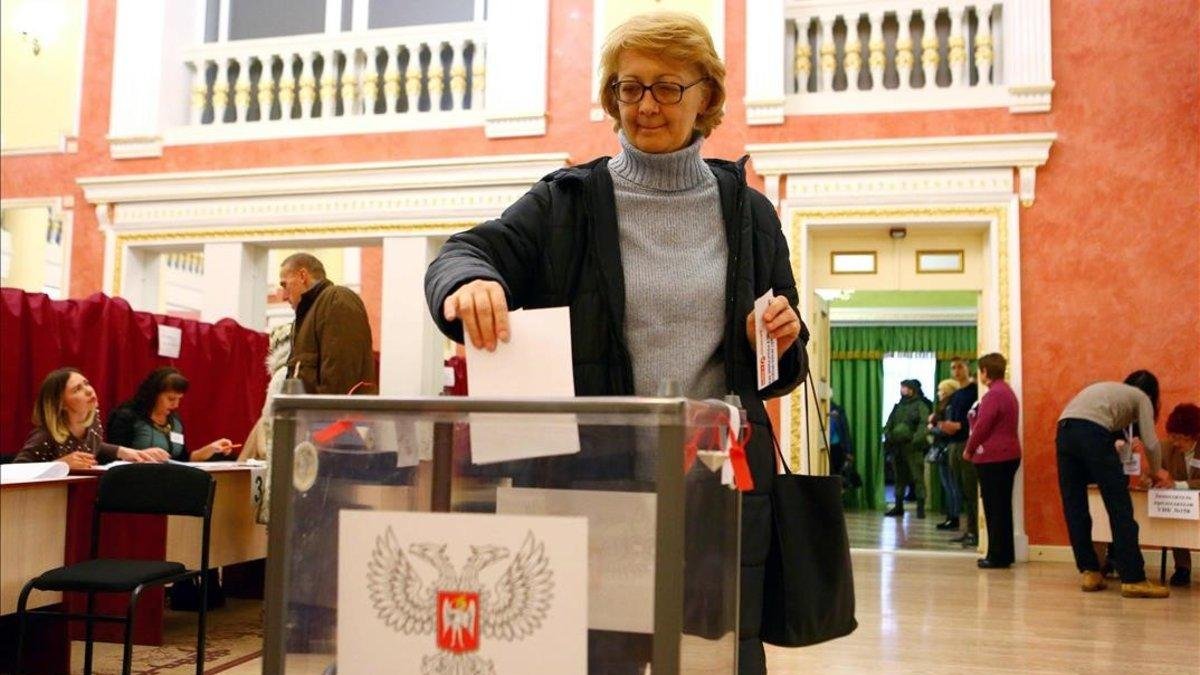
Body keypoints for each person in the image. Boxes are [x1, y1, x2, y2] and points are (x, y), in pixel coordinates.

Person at [424, 12, 806, 673]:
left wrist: (777, 337)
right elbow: (463, 252)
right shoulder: (566, 203)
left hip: (715, 490)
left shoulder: (749, 212)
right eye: (631, 87)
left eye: (667, 87)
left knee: (719, 659)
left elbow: (781, 364)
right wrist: (469, 282)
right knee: (597, 657)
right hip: (593, 489)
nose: (646, 105)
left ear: (706, 96)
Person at [1056, 370, 1173, 598]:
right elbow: (1151, 443)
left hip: (1064, 430)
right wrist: (1157, 471)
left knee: (1075, 506)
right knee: (1120, 507)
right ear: (1152, 395)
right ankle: (1133, 578)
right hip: (1092, 431)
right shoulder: (1142, 398)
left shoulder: (1109, 390)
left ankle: (1090, 572)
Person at [15, 368, 169, 467]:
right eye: (77, 389)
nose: (89, 390)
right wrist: (59, 465)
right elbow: (14, 472)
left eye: (86, 383)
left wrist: (127, 452)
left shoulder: (93, 422)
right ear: (61, 404)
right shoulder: (44, 436)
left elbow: (94, 446)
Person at [278, 252, 376, 395]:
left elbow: (340, 381)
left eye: (284, 285)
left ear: (302, 275)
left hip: (333, 409)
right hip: (315, 409)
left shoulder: (336, 300)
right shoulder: (311, 314)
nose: (283, 296)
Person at [963, 353, 1021, 569]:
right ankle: (1004, 554)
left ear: (985, 371)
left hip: (993, 457)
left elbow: (982, 427)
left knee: (994, 507)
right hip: (1009, 454)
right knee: (1002, 507)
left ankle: (996, 555)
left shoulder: (993, 395)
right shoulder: (1007, 392)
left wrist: (969, 449)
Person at [107, 367, 234, 462]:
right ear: (154, 394)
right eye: (171, 399)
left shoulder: (175, 421)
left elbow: (182, 460)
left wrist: (211, 448)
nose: (176, 405)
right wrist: (141, 455)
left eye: (179, 399)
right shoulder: (127, 416)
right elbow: (113, 457)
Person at [940, 357, 979, 547]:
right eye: (953, 368)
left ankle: (976, 531)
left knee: (971, 489)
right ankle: (969, 530)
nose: (956, 371)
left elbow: (975, 418)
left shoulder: (975, 391)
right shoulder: (956, 395)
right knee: (961, 489)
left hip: (966, 442)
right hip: (953, 444)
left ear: (967, 368)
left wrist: (959, 426)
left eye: (960, 367)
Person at [1161, 403, 1200, 586]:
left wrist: (1178, 485)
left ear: (1194, 435)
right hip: (1179, 506)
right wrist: (1152, 480)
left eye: (1180, 438)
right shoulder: (1166, 448)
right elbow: (1154, 473)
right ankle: (1182, 568)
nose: (1175, 442)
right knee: (1175, 517)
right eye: (1172, 436)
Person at [883, 380, 931, 518]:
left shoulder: (920, 405)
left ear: (912, 390)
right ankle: (898, 507)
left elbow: (923, 425)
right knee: (899, 478)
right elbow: (889, 424)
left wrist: (915, 440)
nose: (902, 390)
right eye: (902, 387)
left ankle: (920, 509)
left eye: (905, 387)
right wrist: (889, 436)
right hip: (897, 447)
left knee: (917, 477)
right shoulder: (898, 407)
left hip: (913, 448)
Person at [930, 378, 962, 531]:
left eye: (940, 390)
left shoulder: (949, 407)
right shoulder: (947, 406)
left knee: (951, 485)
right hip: (946, 448)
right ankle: (951, 516)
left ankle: (953, 517)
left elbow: (947, 430)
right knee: (950, 485)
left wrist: (932, 428)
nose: (938, 393)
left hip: (946, 449)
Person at [828, 398, 854, 477]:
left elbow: (845, 431)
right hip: (827, 449)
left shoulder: (838, 410)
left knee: (837, 475)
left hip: (837, 449)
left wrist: (849, 452)